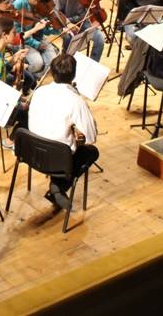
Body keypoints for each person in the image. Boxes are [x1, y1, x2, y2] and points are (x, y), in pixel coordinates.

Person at [28, 54, 99, 211]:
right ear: (74, 75)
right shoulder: (76, 100)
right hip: (57, 160)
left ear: (52, 72)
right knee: (91, 151)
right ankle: (58, 186)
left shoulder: (39, 91)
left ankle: (56, 186)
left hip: (32, 153)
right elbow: (91, 137)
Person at [11, 0, 61, 78]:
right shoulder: (20, 3)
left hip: (38, 38)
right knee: (38, 63)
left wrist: (56, 29)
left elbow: (44, 30)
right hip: (22, 41)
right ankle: (23, 75)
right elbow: (16, 32)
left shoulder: (42, 4)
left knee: (52, 62)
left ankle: (34, 78)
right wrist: (36, 44)